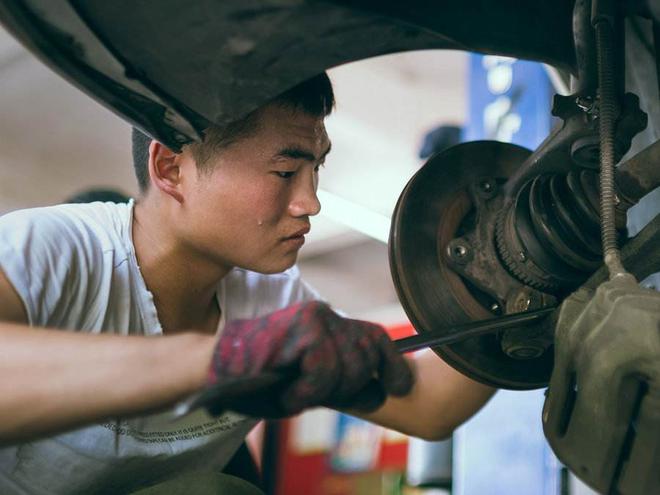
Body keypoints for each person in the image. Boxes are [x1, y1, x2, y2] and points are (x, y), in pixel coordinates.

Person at [0, 73, 493, 494]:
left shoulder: (269, 300)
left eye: (314, 169)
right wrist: (221, 360)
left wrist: (524, 279)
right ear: (171, 168)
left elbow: (428, 404)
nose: (311, 202)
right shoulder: (52, 249)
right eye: (284, 171)